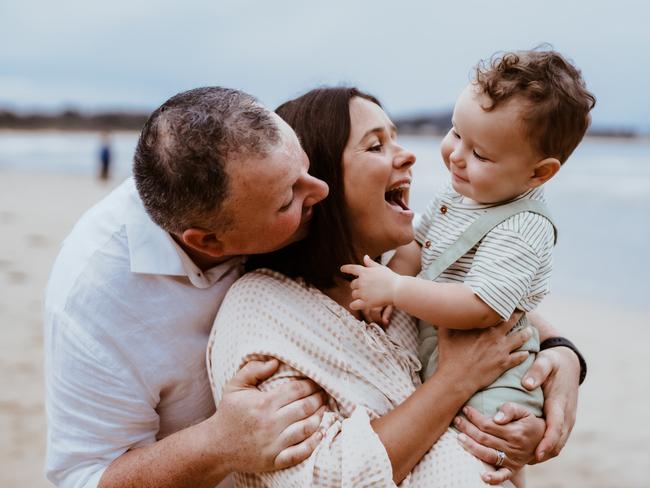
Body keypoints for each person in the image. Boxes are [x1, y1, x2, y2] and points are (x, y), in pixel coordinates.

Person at [208, 87, 586, 486]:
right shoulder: (261, 308)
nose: (408, 155)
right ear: (317, 182)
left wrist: (554, 370)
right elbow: (323, 477)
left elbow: (497, 303)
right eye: (375, 146)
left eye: (395, 137)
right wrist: (455, 381)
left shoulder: (402, 275)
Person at [44, 87, 331, 488]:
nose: (321, 189)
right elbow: (83, 478)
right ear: (208, 242)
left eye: (304, 164)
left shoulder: (261, 183)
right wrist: (219, 443)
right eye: (287, 202)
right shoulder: (96, 298)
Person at [341, 49, 595, 420]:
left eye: (480, 154)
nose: (456, 156)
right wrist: (395, 276)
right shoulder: (462, 192)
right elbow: (418, 242)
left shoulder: (524, 227)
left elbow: (481, 307)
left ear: (538, 174)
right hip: (447, 352)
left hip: (496, 380)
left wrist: (396, 290)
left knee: (483, 444)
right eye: (456, 133)